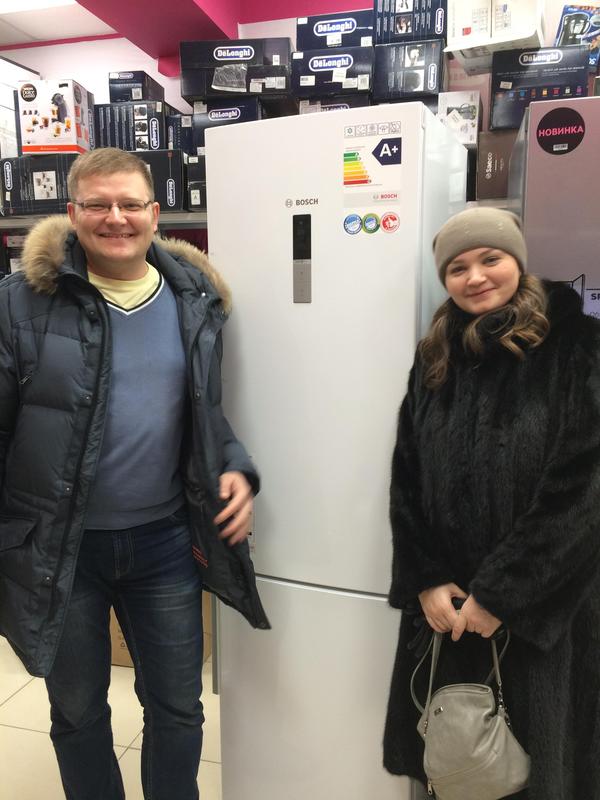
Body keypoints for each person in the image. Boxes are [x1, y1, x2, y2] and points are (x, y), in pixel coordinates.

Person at [0, 147, 268, 800]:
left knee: (178, 708)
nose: (115, 218)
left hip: (164, 544)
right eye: (98, 204)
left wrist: (234, 466)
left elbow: (204, 414)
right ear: (72, 214)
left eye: (129, 204)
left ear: (155, 212)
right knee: (78, 712)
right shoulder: (18, 303)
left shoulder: (194, 300)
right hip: (59, 549)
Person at [383, 207, 600, 799]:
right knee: (461, 771)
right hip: (449, 615)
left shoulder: (576, 346)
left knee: (541, 772)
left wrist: (503, 595)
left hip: (544, 616)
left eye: (490, 259)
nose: (475, 277)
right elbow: (407, 479)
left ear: (517, 262)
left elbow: (583, 489)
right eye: (457, 268)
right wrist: (426, 579)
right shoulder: (436, 356)